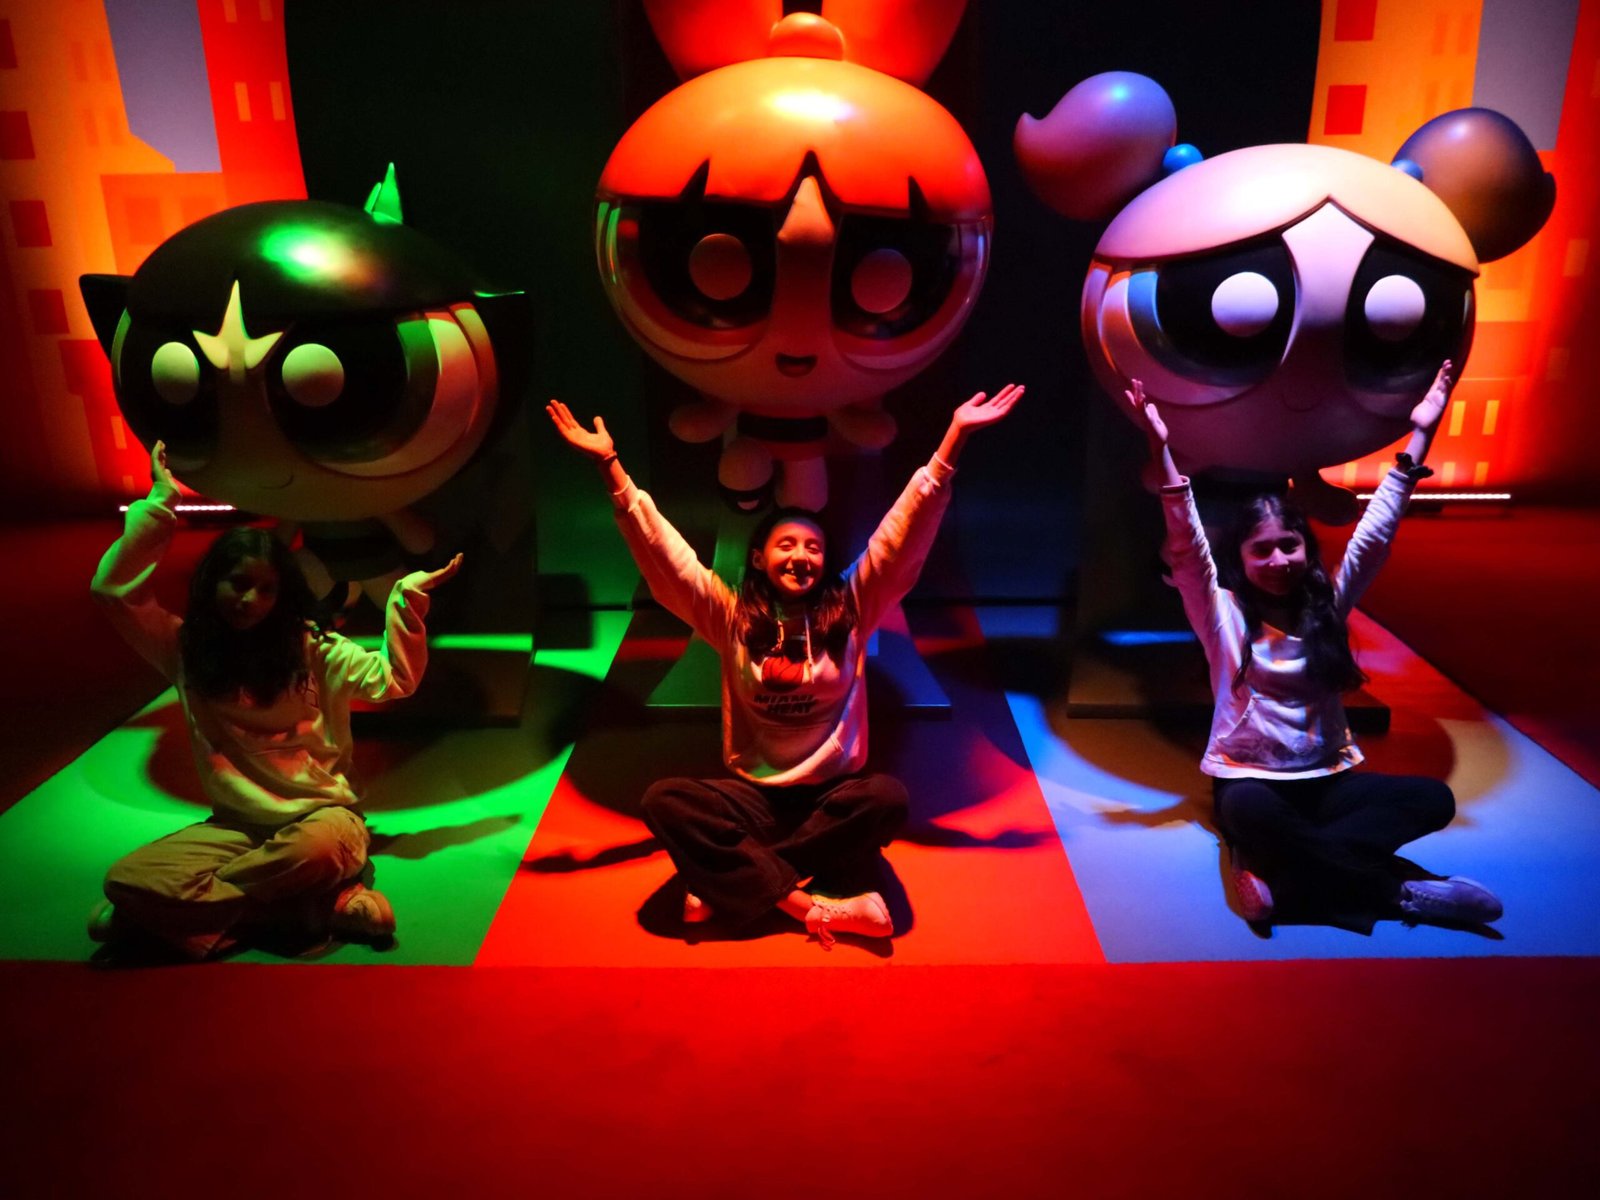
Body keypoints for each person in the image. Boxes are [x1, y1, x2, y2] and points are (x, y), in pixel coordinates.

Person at [547, 384, 1024, 947]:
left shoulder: (851, 608)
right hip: (754, 799)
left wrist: (952, 442)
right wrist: (611, 469)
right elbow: (666, 557)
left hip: (830, 800)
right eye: (787, 545)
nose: (801, 556)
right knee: (665, 801)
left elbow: (901, 536)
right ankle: (810, 906)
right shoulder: (729, 615)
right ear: (759, 557)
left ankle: (732, 881)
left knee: (885, 799)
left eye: (813, 548)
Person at [1125, 363, 1502, 928]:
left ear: (1306, 548)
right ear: (1241, 559)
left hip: (1328, 782)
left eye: (1290, 545)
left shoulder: (1327, 605)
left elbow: (1374, 536)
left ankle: (1281, 881)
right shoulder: (1220, 611)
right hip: (1250, 782)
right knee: (1251, 811)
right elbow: (1187, 543)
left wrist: (1421, 432)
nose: (1279, 560)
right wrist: (1161, 449)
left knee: (1433, 800)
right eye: (1262, 550)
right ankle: (1398, 891)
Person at [88, 440, 461, 959]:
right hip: (236, 830)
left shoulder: (312, 648)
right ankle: (312, 910)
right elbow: (114, 591)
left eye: (266, 590)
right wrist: (159, 504)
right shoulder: (185, 648)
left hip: (322, 820)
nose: (250, 600)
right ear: (211, 584)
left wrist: (403, 603)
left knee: (316, 851)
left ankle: (172, 915)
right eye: (238, 583)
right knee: (127, 878)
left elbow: (392, 681)